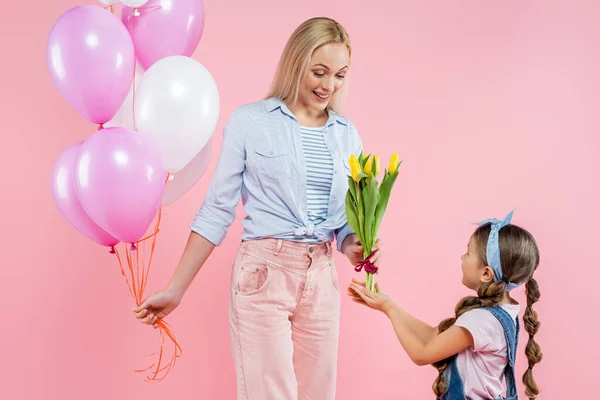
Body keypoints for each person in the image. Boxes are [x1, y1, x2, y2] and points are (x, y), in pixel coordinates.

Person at [132, 17, 382, 400]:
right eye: (319, 72)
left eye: (339, 75)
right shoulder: (250, 122)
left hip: (321, 279)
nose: (328, 86)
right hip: (265, 273)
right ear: (296, 63)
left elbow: (343, 223)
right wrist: (176, 288)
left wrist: (354, 245)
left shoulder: (347, 134)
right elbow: (217, 210)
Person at [348, 210, 542, 400]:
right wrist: (388, 304)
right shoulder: (502, 314)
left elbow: (421, 354)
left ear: (486, 273)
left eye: (468, 253)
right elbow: (433, 335)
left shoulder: (481, 320)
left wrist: (389, 309)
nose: (462, 258)